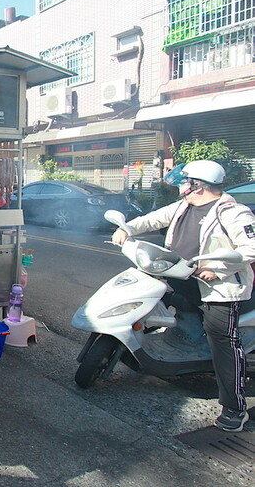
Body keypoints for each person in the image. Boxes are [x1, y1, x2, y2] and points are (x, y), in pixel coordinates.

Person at [112, 160, 255, 433]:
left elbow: (250, 248)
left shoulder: (234, 213)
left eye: (186, 181)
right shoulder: (183, 206)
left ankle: (234, 408)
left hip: (217, 288)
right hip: (180, 275)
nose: (182, 186)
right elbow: (153, 219)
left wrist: (218, 268)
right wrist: (127, 229)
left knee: (224, 344)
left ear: (197, 185)